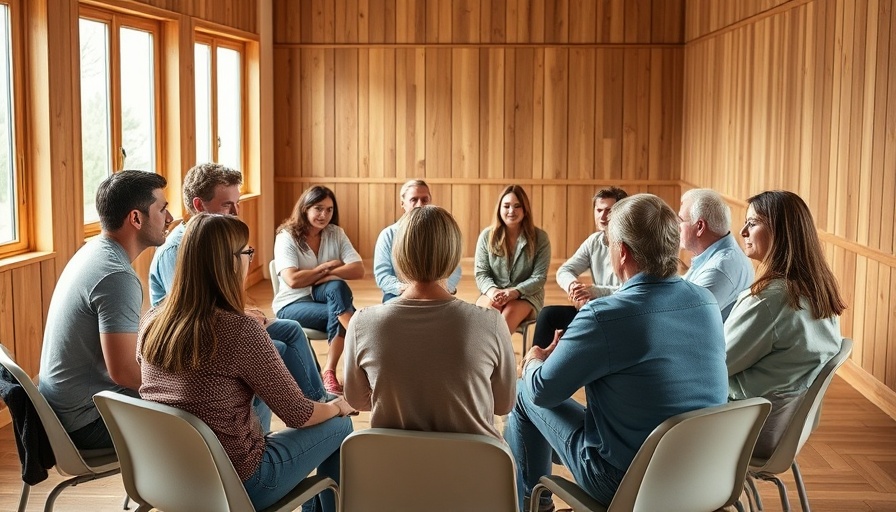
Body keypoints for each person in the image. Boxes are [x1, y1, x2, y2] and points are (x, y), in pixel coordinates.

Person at [505, 194, 728, 511]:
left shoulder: (605, 315)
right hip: (703, 475)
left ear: (621, 252)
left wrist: (533, 362)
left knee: (523, 390)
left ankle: (533, 506)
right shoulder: (706, 302)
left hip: (625, 482)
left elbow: (543, 392)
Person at [138, 213, 353, 512]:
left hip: (169, 477)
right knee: (341, 425)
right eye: (247, 253)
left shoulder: (151, 320)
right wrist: (336, 406)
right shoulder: (239, 330)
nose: (251, 259)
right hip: (240, 484)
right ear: (228, 263)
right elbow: (298, 416)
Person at [147, 163, 327, 430]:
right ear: (199, 205)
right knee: (272, 352)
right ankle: (267, 434)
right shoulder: (177, 250)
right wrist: (242, 320)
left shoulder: (211, 240)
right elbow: (191, 311)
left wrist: (242, 315)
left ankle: (318, 400)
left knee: (291, 330)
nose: (236, 212)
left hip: (219, 326)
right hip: (193, 342)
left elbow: (214, 304)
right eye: (227, 205)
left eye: (237, 203)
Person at [344, 206, 516, 438]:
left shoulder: (362, 323)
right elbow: (503, 405)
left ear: (398, 254)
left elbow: (356, 400)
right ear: (454, 256)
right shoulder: (491, 322)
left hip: (392, 470)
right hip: (472, 471)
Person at [38, 170, 173, 450]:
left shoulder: (93, 250)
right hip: (86, 421)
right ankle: (247, 483)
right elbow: (124, 373)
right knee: (213, 403)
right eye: (162, 209)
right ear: (136, 218)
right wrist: (184, 387)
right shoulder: (116, 276)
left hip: (63, 408)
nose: (170, 219)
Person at [726, 190, 845, 457]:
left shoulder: (770, 299)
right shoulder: (818, 290)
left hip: (745, 429)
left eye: (753, 223)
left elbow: (716, 366)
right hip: (783, 430)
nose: (743, 231)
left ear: (781, 233)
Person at [273, 186, 364, 395]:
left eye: (329, 210)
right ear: (305, 208)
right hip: (292, 304)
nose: (324, 215)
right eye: (318, 208)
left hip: (321, 296)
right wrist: (325, 267)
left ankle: (329, 371)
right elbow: (293, 280)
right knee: (344, 310)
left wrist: (327, 275)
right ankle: (357, 334)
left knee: (338, 286)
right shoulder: (286, 236)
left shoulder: (335, 233)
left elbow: (358, 269)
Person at [531, 186, 627, 349]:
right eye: (598, 210)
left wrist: (595, 291)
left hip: (621, 315)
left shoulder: (633, 244)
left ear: (622, 213)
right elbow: (564, 270)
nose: (602, 216)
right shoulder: (594, 241)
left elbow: (631, 290)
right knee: (547, 315)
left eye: (608, 211)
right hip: (593, 308)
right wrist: (573, 287)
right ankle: (533, 365)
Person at [475, 185, 551, 334]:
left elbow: (539, 278)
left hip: (526, 296)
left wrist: (514, 292)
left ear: (525, 209)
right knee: (483, 317)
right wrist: (492, 291)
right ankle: (486, 357)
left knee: (503, 322)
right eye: (506, 206)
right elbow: (481, 273)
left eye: (517, 206)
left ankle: (497, 357)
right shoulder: (486, 236)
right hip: (493, 292)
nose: (511, 211)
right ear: (499, 209)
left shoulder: (541, 238)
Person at [373, 179, 462, 302]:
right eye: (414, 199)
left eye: (424, 199)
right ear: (402, 203)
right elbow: (383, 276)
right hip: (399, 295)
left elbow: (455, 268)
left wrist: (444, 288)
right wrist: (413, 290)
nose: (420, 204)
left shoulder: (441, 233)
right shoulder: (388, 235)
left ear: (430, 201)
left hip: (436, 293)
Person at [679, 188, 754, 320]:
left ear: (700, 227)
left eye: (681, 221)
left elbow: (680, 318)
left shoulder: (719, 269)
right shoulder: (715, 251)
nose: (677, 227)